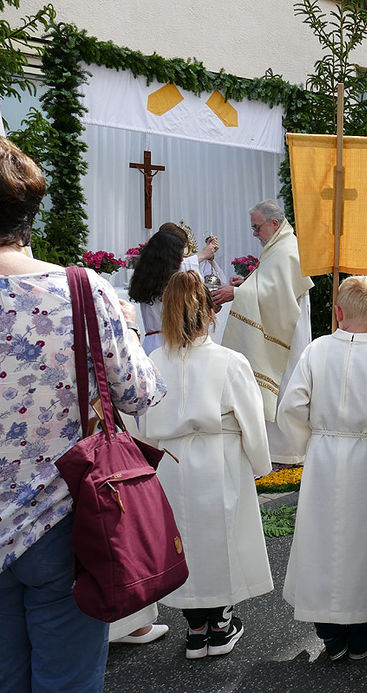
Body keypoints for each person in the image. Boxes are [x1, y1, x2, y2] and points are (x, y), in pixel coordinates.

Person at [0, 137, 166, 691]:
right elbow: (140, 394)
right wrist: (128, 328)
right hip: (63, 517)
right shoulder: (79, 289)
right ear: (28, 214)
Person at [135, 271, 273, 659]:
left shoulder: (153, 359)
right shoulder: (229, 360)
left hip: (171, 462)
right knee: (219, 540)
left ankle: (195, 628)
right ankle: (221, 624)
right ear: (209, 312)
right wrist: (261, 464)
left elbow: (139, 422)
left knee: (183, 543)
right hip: (218, 457)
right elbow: (252, 418)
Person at [277, 276, 367, 662]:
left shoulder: (317, 352)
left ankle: (330, 634)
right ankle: (363, 630)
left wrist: (310, 443)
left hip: (323, 454)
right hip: (365, 455)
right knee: (364, 540)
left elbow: (291, 407)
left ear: (336, 312)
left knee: (322, 538)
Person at [215, 200, 314, 465]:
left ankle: (288, 450)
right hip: (278, 325)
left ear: (274, 223)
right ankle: (277, 449)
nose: (256, 234)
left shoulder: (287, 249)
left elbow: (277, 296)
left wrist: (236, 293)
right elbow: (269, 284)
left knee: (284, 387)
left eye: (257, 228)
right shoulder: (278, 246)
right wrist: (247, 283)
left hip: (285, 334)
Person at [128, 226, 189, 353]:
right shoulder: (174, 283)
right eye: (180, 253)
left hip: (150, 344)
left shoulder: (145, 278)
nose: (182, 259)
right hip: (171, 344)